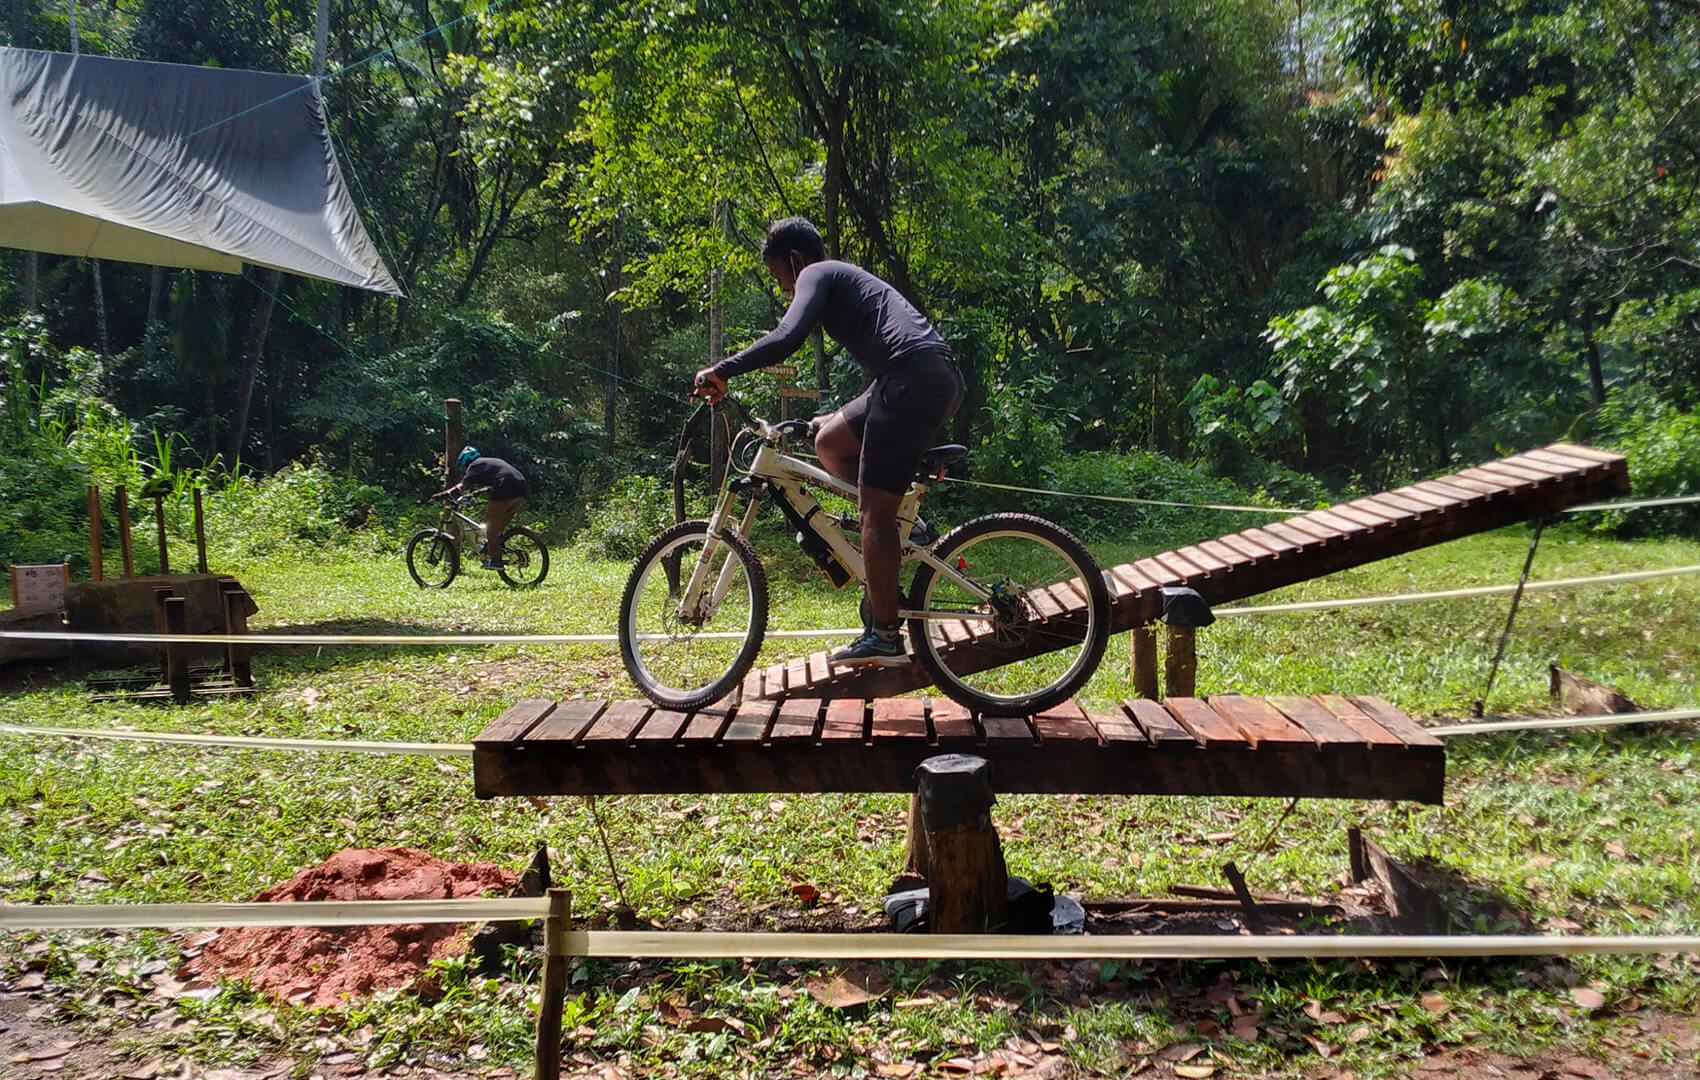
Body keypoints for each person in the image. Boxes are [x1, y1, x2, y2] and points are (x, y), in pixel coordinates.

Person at [693, 217, 965, 667]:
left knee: (872, 510)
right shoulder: (844, 280)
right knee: (832, 440)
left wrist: (722, 369)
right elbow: (891, 364)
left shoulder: (818, 272)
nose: (784, 290)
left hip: (911, 378)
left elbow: (786, 338)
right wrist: (837, 415)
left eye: (781, 278)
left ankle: (884, 635)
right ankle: (904, 529)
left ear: (796, 261)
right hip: (922, 376)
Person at [437, 446, 529, 569]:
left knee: (489, 526)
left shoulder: (474, 465)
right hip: (521, 488)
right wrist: (475, 493)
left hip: (505, 487)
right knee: (497, 529)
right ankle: (504, 551)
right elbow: (491, 484)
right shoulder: (487, 463)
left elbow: (462, 486)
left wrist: (445, 494)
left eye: (464, 469)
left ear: (465, 463)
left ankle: (496, 561)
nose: (465, 472)